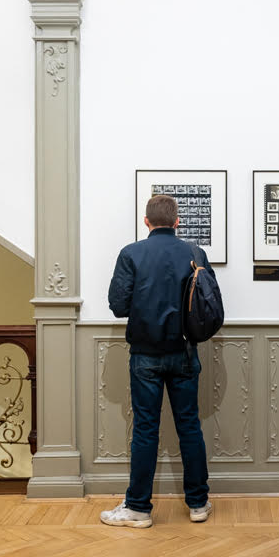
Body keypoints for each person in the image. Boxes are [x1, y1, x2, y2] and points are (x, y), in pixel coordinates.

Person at [101, 194, 214, 529]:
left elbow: (118, 306)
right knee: (189, 427)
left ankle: (138, 508)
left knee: (146, 430)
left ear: (146, 221)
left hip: (145, 356)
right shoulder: (195, 254)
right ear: (177, 221)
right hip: (184, 352)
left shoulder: (131, 253)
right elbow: (206, 304)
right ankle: (198, 503)